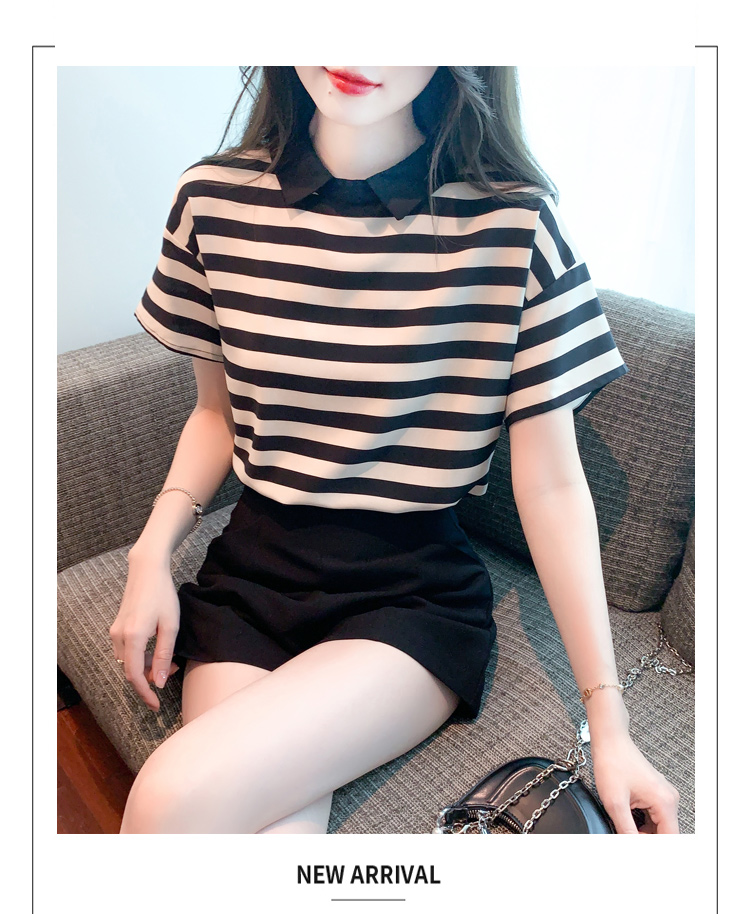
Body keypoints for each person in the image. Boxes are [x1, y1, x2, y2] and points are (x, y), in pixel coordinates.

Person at [111, 66, 681, 835]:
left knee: (168, 798)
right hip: (252, 577)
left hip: (407, 595)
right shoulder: (212, 202)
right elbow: (217, 414)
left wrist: (608, 723)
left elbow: (550, 485)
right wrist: (150, 554)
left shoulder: (514, 226)